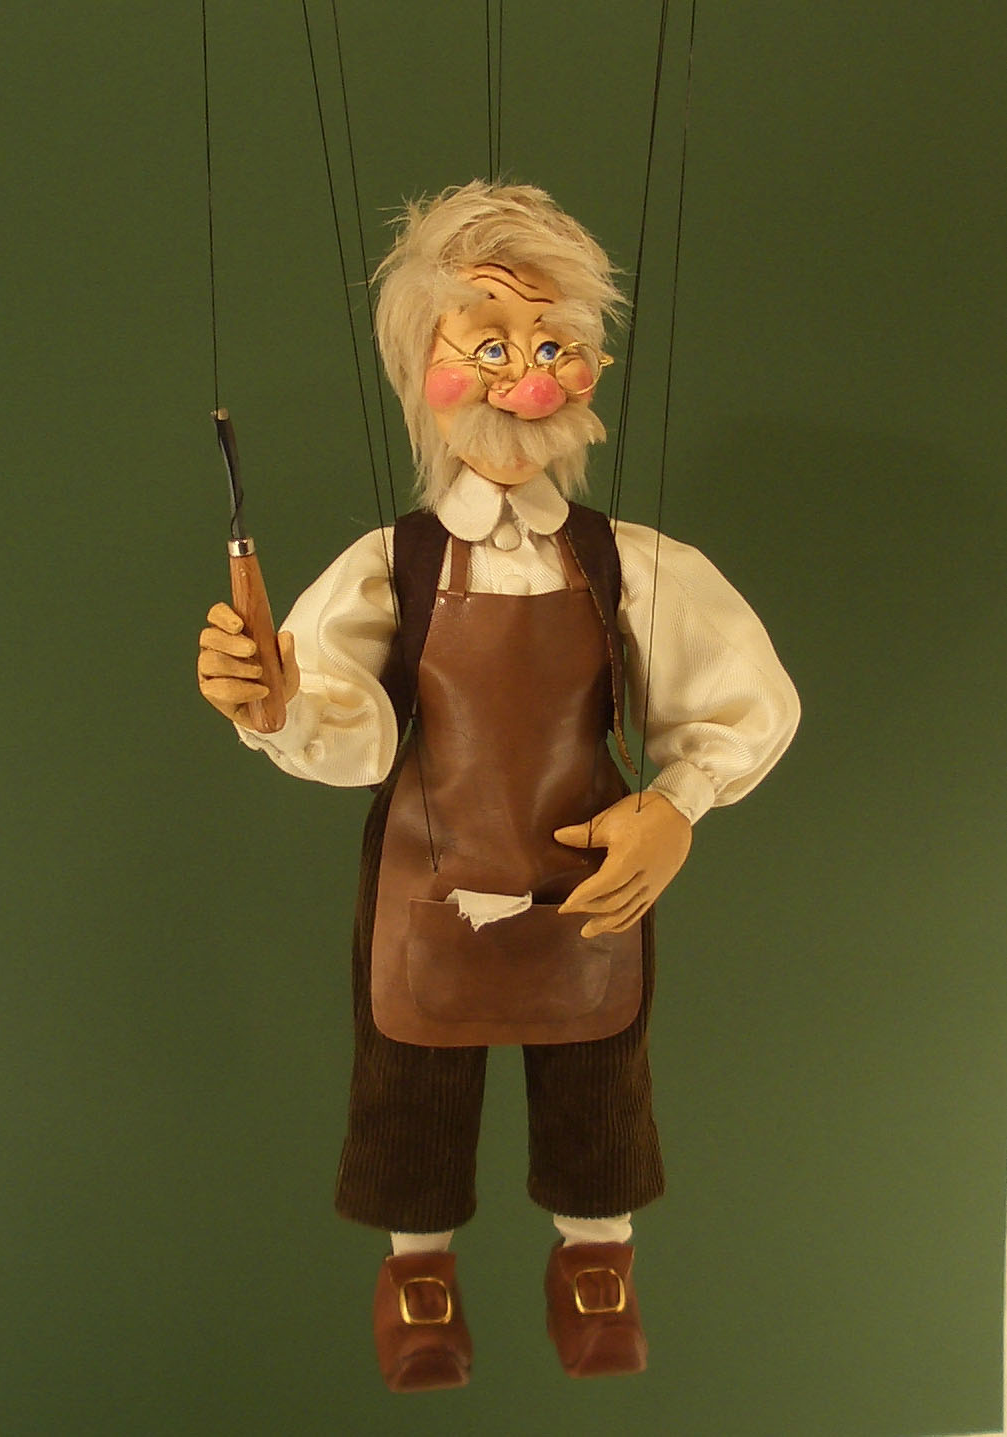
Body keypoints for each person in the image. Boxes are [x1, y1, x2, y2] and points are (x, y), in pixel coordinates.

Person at [197, 180, 800, 1391]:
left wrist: (675, 806)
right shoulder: (391, 564)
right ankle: (416, 1272)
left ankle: (597, 1258)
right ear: (423, 364)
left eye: (551, 344)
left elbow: (744, 700)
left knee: (598, 1075)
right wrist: (271, 701)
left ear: (588, 367)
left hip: (590, 872)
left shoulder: (632, 564)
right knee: (411, 1077)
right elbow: (347, 725)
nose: (524, 372)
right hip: (429, 872)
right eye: (489, 342)